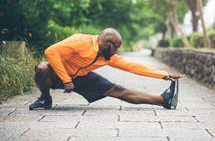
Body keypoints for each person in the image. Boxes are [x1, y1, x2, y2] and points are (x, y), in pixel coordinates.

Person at [29, 28, 184, 110]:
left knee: (118, 90)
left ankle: (164, 101)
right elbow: (51, 51)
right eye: (116, 47)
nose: (116, 51)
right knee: (42, 68)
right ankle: (45, 99)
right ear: (107, 42)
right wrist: (66, 79)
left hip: (81, 77)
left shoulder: (107, 56)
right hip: (59, 74)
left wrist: (163, 75)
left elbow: (133, 67)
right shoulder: (81, 41)